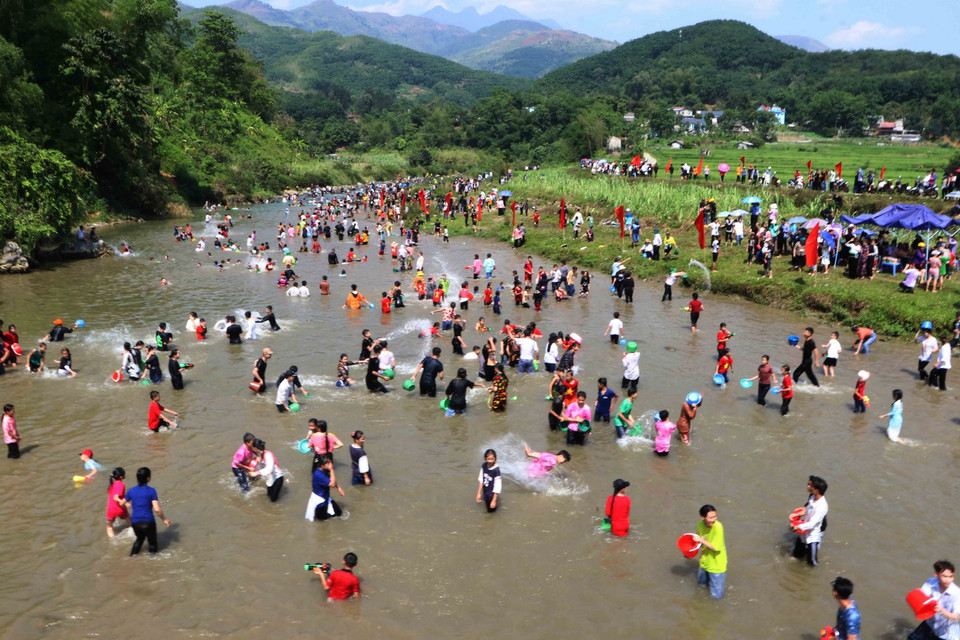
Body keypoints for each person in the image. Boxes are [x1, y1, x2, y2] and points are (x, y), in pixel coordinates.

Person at [907, 560, 960, 640]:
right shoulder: (931, 582)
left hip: (945, 633)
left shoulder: (956, 593)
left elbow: (955, 617)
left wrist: (942, 610)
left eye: (951, 576)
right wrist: (919, 594)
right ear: (937, 575)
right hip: (929, 623)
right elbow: (923, 596)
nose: (948, 580)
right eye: (944, 576)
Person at [124, 467, 171, 556]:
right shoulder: (151, 491)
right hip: (148, 522)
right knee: (152, 543)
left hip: (135, 522)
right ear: (148, 478)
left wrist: (126, 504)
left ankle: (131, 557)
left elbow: (122, 502)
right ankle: (153, 563)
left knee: (140, 539)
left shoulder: (131, 491)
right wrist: (164, 519)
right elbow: (157, 509)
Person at [792, 475, 829, 566]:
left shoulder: (822, 506)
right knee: (795, 556)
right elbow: (807, 510)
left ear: (816, 490)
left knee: (812, 563)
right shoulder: (812, 498)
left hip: (812, 536)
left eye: (810, 485)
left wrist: (797, 526)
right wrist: (796, 514)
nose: (807, 487)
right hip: (803, 532)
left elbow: (812, 524)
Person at [694, 504, 727, 599]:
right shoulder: (699, 525)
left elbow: (716, 548)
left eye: (715, 516)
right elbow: (698, 542)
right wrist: (689, 552)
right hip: (704, 562)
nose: (714, 519)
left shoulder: (718, 527)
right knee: (701, 586)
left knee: (716, 596)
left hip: (717, 566)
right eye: (711, 517)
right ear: (703, 517)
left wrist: (701, 540)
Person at [305, 455, 344, 521]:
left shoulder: (324, 471)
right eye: (328, 463)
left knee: (338, 513)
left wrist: (339, 487)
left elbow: (331, 479)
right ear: (322, 465)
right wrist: (331, 469)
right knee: (322, 521)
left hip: (325, 497)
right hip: (319, 500)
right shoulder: (318, 474)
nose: (330, 464)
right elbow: (332, 484)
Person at [105, 467, 129, 539]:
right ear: (121, 477)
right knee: (130, 522)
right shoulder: (121, 484)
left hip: (110, 510)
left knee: (109, 527)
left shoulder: (111, 485)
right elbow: (115, 497)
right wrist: (125, 503)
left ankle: (113, 540)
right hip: (120, 508)